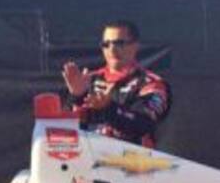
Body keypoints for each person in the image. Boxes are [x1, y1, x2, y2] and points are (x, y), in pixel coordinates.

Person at [61, 20, 171, 148]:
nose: (112, 49)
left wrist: (108, 108)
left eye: (119, 43)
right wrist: (77, 96)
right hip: (90, 156)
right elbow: (66, 129)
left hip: (132, 158)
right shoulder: (88, 79)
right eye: (106, 44)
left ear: (135, 46)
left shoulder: (151, 84)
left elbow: (143, 124)